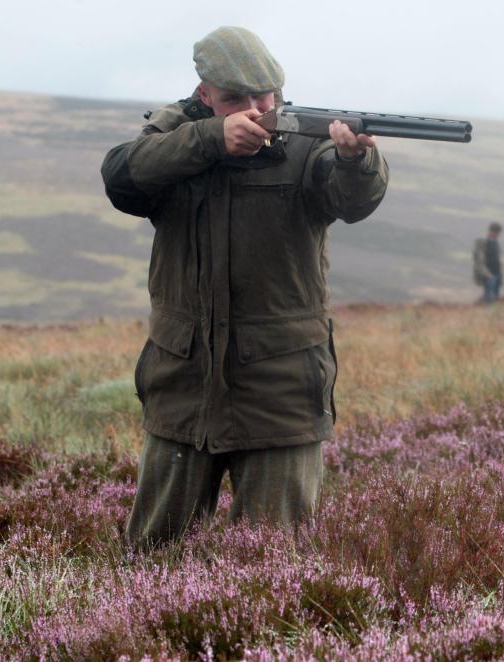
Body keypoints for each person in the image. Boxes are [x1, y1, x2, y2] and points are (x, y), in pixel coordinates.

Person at [100, 26, 389, 548]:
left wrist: (356, 161)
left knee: (274, 566)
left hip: (280, 387)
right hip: (182, 383)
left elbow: (351, 199)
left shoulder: (308, 145)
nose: (255, 109)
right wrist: (213, 139)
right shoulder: (176, 137)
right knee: (152, 557)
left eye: (265, 96)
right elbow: (122, 178)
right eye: (235, 100)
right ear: (203, 95)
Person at [473, 222, 503, 303]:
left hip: (496, 273)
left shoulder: (496, 242)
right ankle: (489, 312)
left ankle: (493, 311)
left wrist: (499, 274)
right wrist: (487, 274)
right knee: (489, 296)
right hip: (488, 274)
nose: (497, 234)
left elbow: (497, 259)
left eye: (498, 232)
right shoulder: (482, 242)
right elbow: (479, 260)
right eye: (496, 232)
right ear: (491, 231)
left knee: (495, 296)